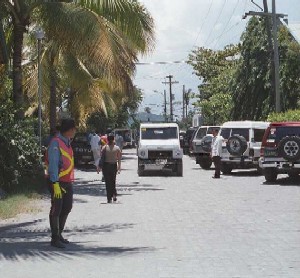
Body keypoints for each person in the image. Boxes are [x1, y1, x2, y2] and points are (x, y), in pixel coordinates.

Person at [46, 118, 76, 248]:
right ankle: (55, 238)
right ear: (69, 130)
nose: (75, 131)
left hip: (67, 181)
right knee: (56, 209)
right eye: (74, 129)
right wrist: (55, 183)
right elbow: (52, 164)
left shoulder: (67, 142)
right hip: (57, 182)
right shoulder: (55, 143)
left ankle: (60, 233)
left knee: (67, 207)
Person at [99, 133, 121, 203]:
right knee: (113, 181)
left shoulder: (104, 147)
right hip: (114, 166)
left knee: (108, 183)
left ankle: (109, 198)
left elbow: (101, 157)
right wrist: (119, 167)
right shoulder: (117, 148)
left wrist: (99, 167)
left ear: (107, 140)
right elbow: (119, 159)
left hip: (106, 166)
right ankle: (114, 195)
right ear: (113, 139)